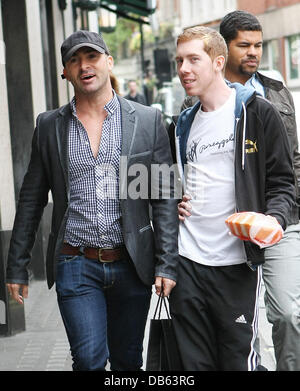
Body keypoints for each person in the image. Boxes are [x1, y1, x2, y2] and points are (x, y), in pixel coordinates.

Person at [6, 30, 178, 371]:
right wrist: (17, 266)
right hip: (75, 262)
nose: (84, 66)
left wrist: (166, 262)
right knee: (87, 360)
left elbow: (163, 195)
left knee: (128, 360)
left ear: (108, 62)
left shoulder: (146, 120)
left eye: (92, 57)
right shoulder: (50, 126)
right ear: (65, 73)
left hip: (132, 263)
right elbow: (31, 199)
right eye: (74, 60)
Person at [168, 25, 295, 371]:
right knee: (194, 365)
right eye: (179, 60)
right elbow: (163, 183)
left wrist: (274, 219)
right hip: (187, 262)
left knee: (238, 362)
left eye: (194, 59)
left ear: (218, 62)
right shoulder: (182, 124)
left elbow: (284, 183)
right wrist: (173, 199)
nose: (184, 69)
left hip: (236, 264)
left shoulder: (258, 112)